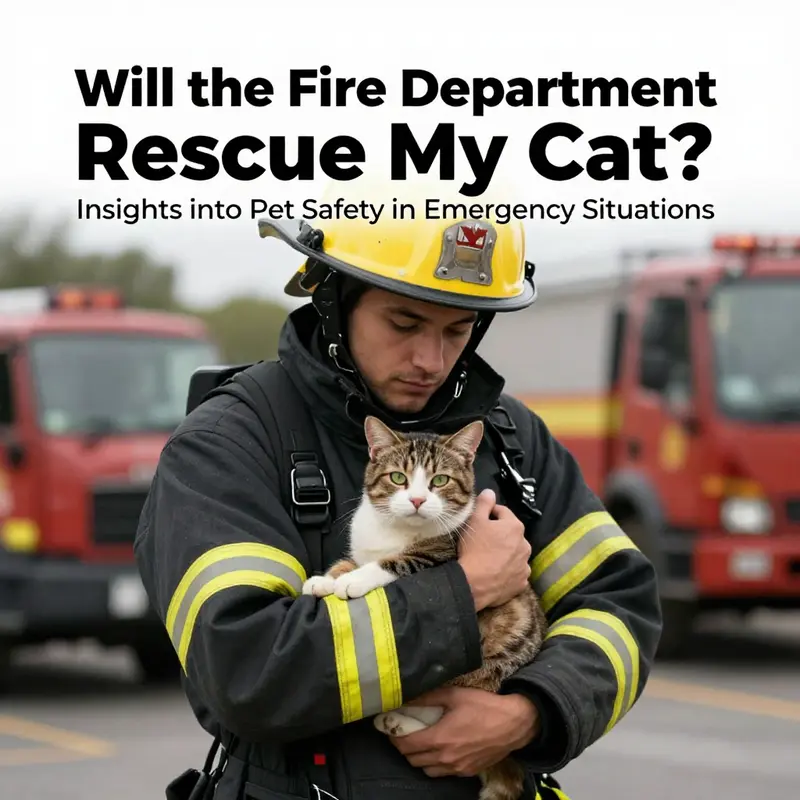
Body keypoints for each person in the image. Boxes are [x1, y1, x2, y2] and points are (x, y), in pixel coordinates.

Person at [134, 208, 662, 800]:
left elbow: (621, 608)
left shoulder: (514, 438)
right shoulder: (231, 441)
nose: (430, 361)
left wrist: (531, 714)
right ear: (334, 302)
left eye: (458, 330)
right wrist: (466, 591)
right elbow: (248, 670)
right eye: (405, 323)